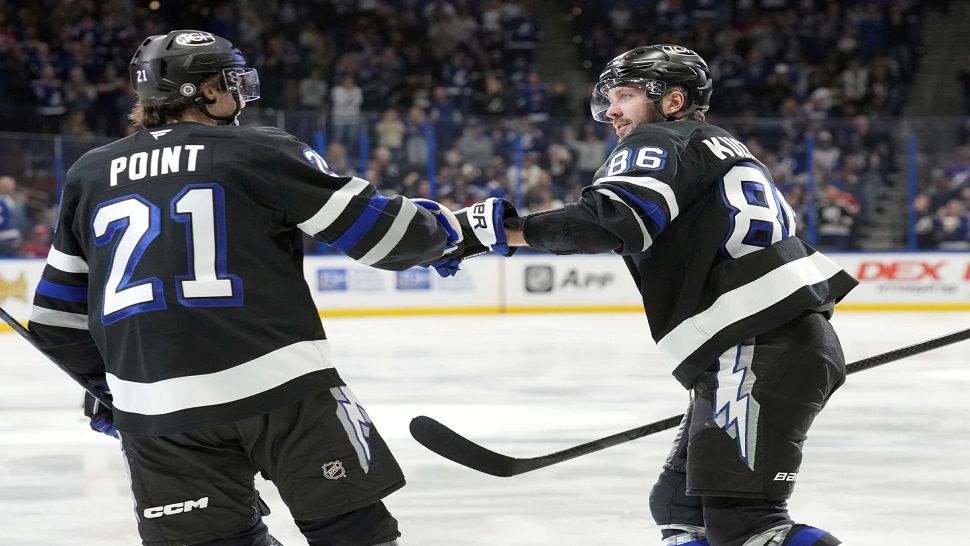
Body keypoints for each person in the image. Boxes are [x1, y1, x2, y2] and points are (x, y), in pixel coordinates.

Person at [27, 30, 461, 546]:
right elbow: (389, 240)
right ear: (205, 91)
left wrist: (112, 391)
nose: (242, 95)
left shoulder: (88, 174)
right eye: (233, 82)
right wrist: (452, 231)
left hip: (158, 415)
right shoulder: (259, 150)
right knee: (355, 536)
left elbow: (56, 323)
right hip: (281, 392)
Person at [444, 45, 857, 546]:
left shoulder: (659, 139)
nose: (612, 110)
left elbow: (616, 220)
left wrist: (495, 231)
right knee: (680, 507)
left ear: (674, 101)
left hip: (757, 348)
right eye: (610, 98)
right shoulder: (722, 145)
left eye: (626, 95)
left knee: (746, 522)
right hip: (768, 344)